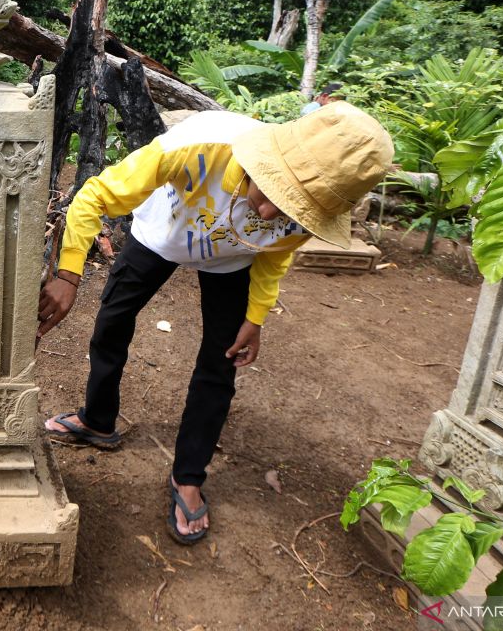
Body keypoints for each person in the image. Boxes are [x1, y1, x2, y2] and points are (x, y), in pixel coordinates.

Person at [36, 102, 392, 544]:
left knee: (220, 364)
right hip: (161, 236)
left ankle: (188, 475)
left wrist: (255, 316)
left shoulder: (312, 209)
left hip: (231, 261)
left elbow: (274, 255)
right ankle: (97, 420)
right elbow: (94, 195)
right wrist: (69, 274)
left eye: (294, 209)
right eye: (276, 194)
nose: (268, 215)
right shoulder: (194, 148)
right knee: (112, 322)